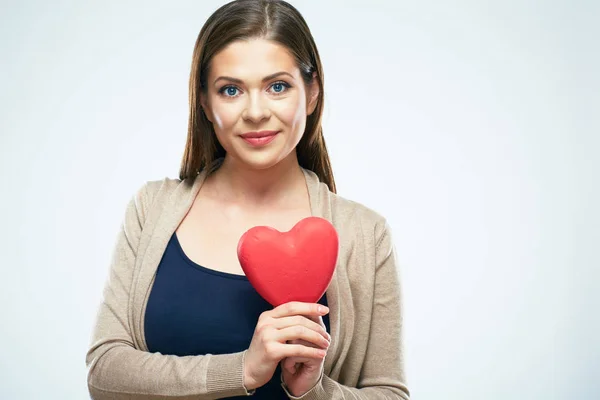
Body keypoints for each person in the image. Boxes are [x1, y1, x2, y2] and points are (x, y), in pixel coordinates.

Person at [85, 0, 410, 399]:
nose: (255, 112)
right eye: (231, 90)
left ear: (311, 93)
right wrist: (243, 369)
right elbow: (104, 374)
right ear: (204, 102)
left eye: (278, 86)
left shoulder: (365, 233)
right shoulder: (152, 209)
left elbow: (390, 394)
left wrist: (314, 390)